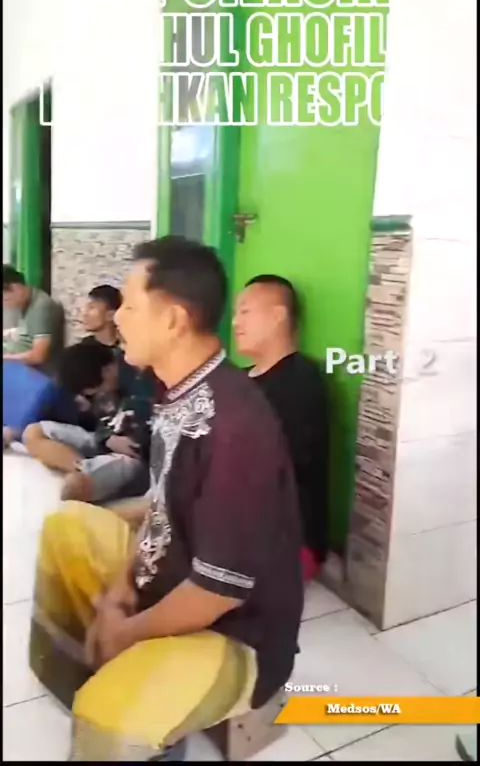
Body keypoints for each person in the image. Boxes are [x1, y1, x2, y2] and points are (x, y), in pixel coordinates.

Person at [29, 236, 304, 762]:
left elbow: (218, 591)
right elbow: (162, 510)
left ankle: (123, 711)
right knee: (69, 527)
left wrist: (128, 631)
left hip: (233, 633)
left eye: (130, 306)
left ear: (174, 319)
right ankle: (89, 677)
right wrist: (120, 588)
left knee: (110, 717)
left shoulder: (237, 426)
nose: (119, 317)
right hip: (171, 585)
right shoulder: (179, 390)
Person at [234, 274, 329, 581]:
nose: (236, 322)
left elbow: (271, 468)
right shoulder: (236, 379)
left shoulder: (301, 380)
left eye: (245, 311)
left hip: (286, 542)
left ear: (277, 316)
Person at [23, 340, 156, 504]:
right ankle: (84, 468)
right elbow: (99, 419)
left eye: (99, 389)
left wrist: (133, 443)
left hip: (131, 458)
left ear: (108, 371)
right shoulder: (97, 373)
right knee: (33, 432)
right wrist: (107, 438)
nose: (100, 393)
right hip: (104, 441)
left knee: (75, 487)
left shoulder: (144, 380)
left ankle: (87, 473)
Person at [3, 264, 64, 373]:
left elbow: (38, 356)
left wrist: (5, 358)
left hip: (30, 372)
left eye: (5, 299)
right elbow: (26, 332)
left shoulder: (41, 308)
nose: (5, 305)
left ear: (15, 287)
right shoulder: (26, 302)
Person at [80, 284, 122, 349]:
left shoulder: (130, 349)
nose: (84, 313)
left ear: (111, 315)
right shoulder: (80, 351)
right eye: (86, 308)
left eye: (91, 308)